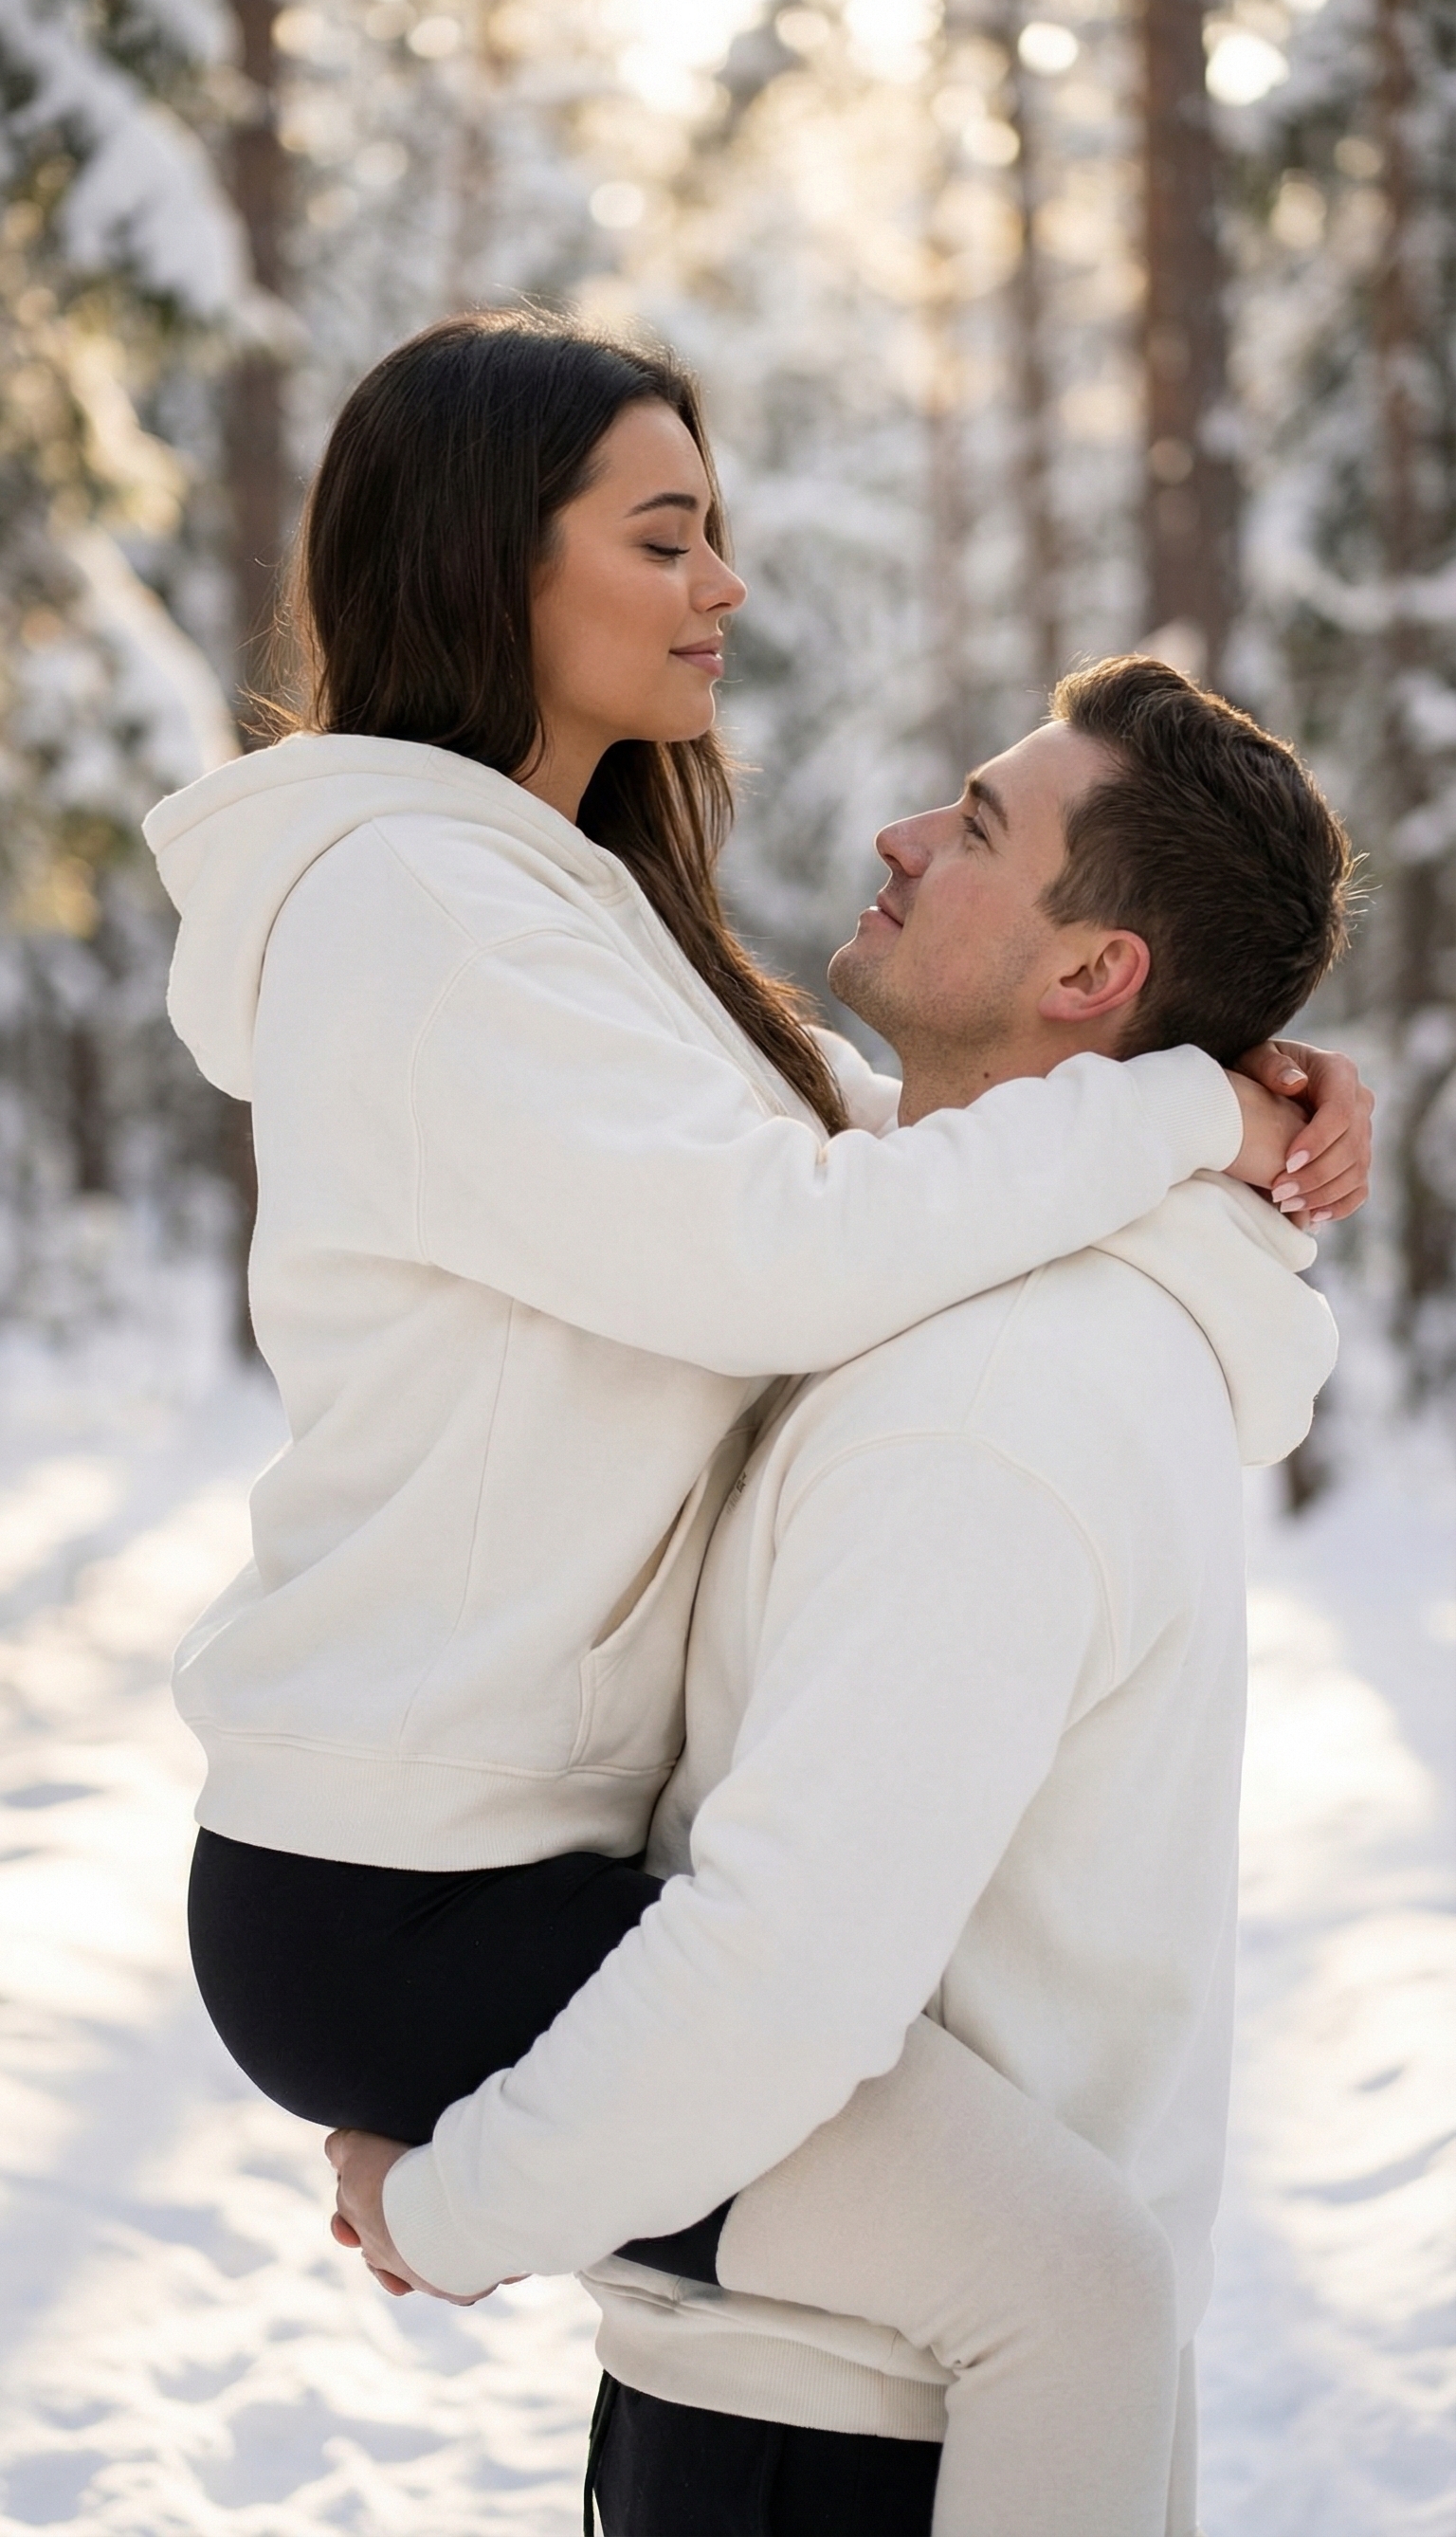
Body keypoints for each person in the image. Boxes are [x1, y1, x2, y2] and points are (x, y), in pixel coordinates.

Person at [142, 315, 1367, 2529]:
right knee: (1069, 2282)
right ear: (490, 561)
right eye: (664, 533)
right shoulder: (421, 914)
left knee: (1065, 2275)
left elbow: (828, 1157)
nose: (723, 583)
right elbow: (776, 1241)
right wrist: (1180, 1107)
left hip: (490, 1843)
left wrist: (1200, 1119)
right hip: (399, 1877)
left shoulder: (550, 897)